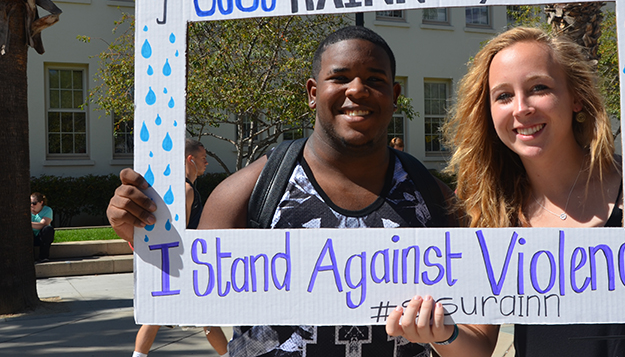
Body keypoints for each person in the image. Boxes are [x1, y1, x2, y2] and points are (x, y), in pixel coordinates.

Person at [107, 26, 457, 357]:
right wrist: (140, 234)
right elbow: (187, 294)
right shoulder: (247, 191)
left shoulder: (431, 196)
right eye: (339, 77)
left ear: (394, 96)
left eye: (375, 80)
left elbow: (473, 329)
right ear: (312, 92)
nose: (357, 90)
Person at [385, 27, 625, 357]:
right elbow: (477, 346)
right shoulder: (491, 213)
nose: (521, 108)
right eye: (503, 96)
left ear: (576, 99)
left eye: (539, 88)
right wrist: (441, 333)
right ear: (489, 113)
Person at [132, 139, 228, 357]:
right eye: (203, 159)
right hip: (183, 264)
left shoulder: (183, 188)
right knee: (206, 318)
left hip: (175, 263)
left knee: (158, 317)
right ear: (190, 160)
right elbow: (180, 232)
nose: (206, 163)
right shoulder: (185, 190)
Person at [31, 192, 55, 263]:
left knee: (48, 229)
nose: (31, 205)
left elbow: (44, 224)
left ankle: (43, 257)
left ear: (41, 202)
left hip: (42, 237)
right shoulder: (25, 210)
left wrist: (28, 224)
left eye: (34, 203)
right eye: (30, 203)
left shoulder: (47, 210)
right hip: (30, 237)